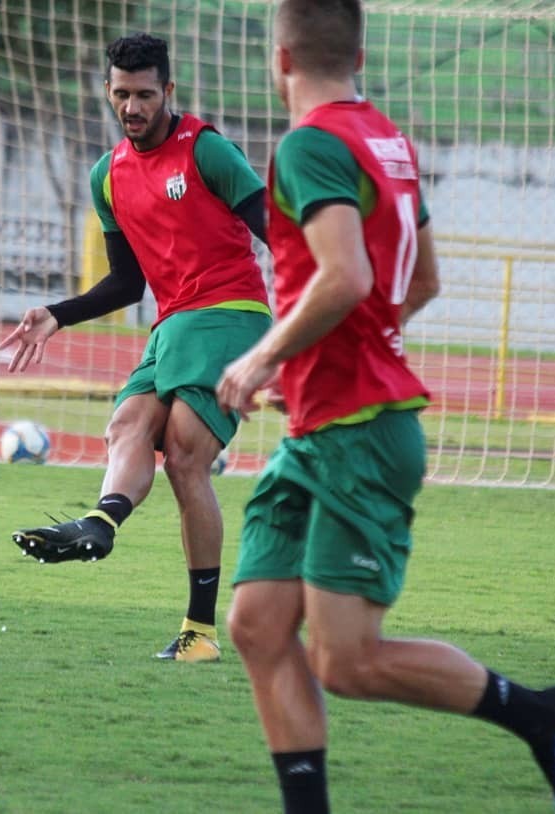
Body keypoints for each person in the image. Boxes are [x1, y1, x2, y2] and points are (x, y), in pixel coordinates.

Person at [215, 0, 555, 810]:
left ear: (281, 59)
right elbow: (422, 281)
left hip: (359, 434)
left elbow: (345, 280)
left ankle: (539, 716)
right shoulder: (386, 140)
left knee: (348, 661)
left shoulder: (308, 145)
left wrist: (262, 354)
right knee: (258, 624)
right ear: (358, 51)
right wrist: (307, 367)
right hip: (327, 426)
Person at [0, 33, 271, 662]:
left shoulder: (208, 151)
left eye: (145, 95)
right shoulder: (107, 176)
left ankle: (199, 634)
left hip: (232, 315)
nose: (132, 107)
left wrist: (295, 339)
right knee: (126, 423)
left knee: (183, 455)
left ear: (168, 92)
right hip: (173, 324)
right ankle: (101, 522)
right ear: (107, 92)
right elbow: (128, 281)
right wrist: (57, 315)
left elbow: (275, 232)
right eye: (121, 94)